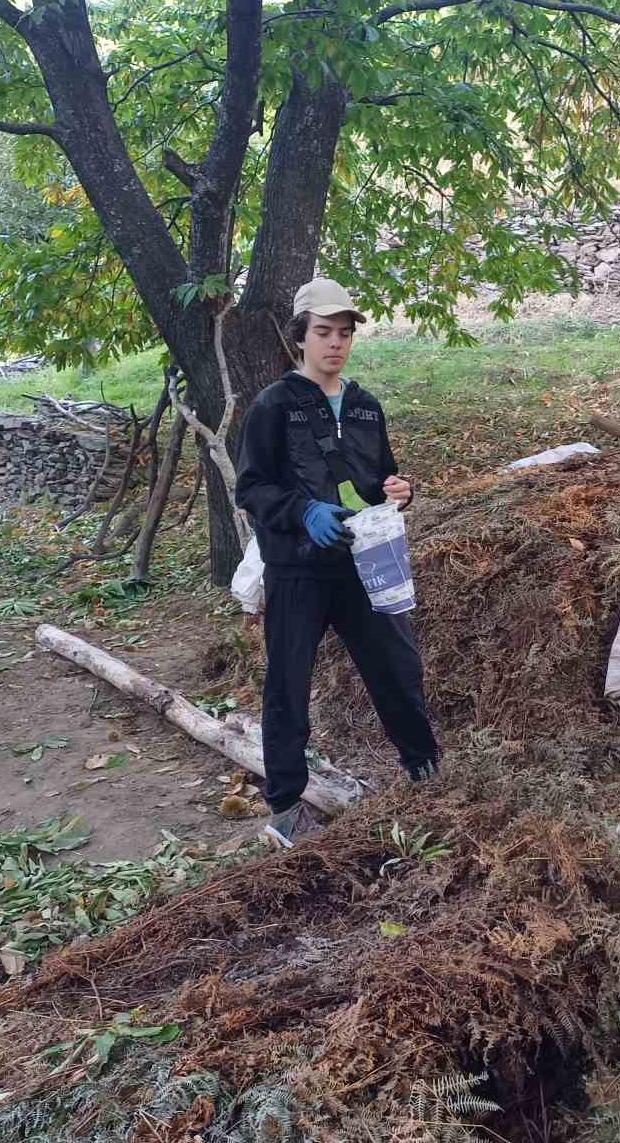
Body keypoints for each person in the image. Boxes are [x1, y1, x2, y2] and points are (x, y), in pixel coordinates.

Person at [234, 276, 440, 848]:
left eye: (344, 334)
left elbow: (380, 481)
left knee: (397, 666)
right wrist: (303, 512)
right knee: (288, 684)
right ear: (300, 337)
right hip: (298, 567)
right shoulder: (273, 406)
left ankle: (425, 771)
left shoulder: (367, 407)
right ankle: (285, 807)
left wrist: (400, 491)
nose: (335, 344)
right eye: (323, 332)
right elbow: (251, 488)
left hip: (365, 564)